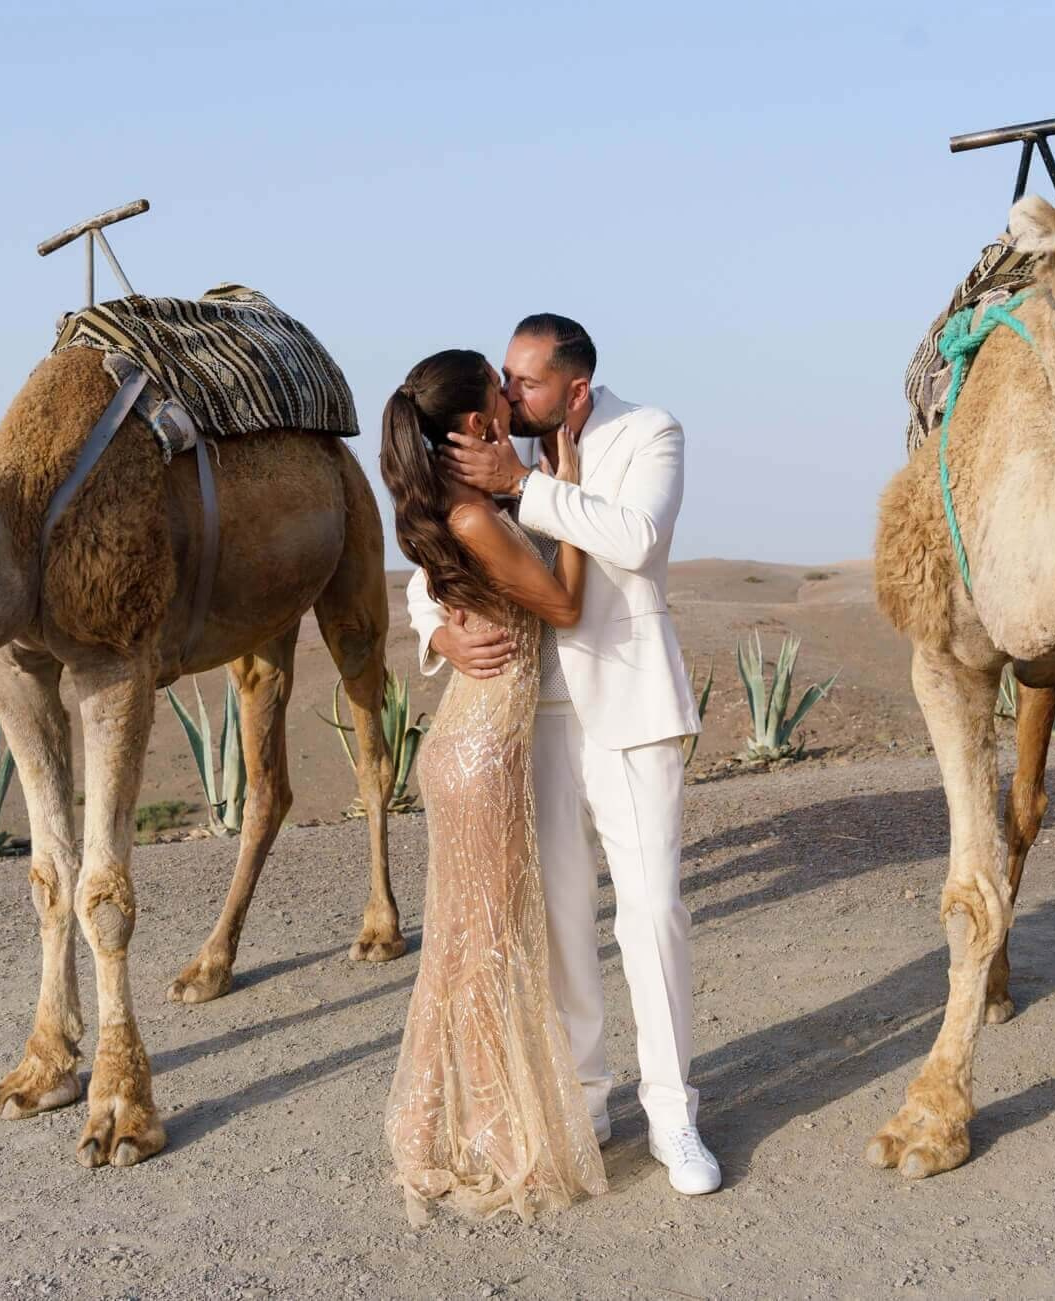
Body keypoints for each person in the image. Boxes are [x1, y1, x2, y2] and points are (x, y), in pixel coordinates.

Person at [408, 314, 719, 1196]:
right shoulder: (493, 450)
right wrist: (440, 632)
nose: (507, 396)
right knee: (561, 921)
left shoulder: (649, 432)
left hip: (630, 707)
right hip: (528, 718)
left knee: (652, 912)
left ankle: (673, 1115)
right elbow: (430, 556)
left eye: (527, 383)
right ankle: (588, 1098)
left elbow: (637, 542)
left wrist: (529, 489)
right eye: (504, 380)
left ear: (575, 389)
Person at [379, 348, 607, 1222]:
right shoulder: (471, 517)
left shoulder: (457, 507)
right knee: (485, 948)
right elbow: (563, 606)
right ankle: (495, 1138)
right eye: (496, 391)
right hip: (479, 759)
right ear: (477, 424)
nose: (511, 400)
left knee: (471, 945)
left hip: (475, 750)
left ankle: (443, 1125)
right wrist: (571, 490)